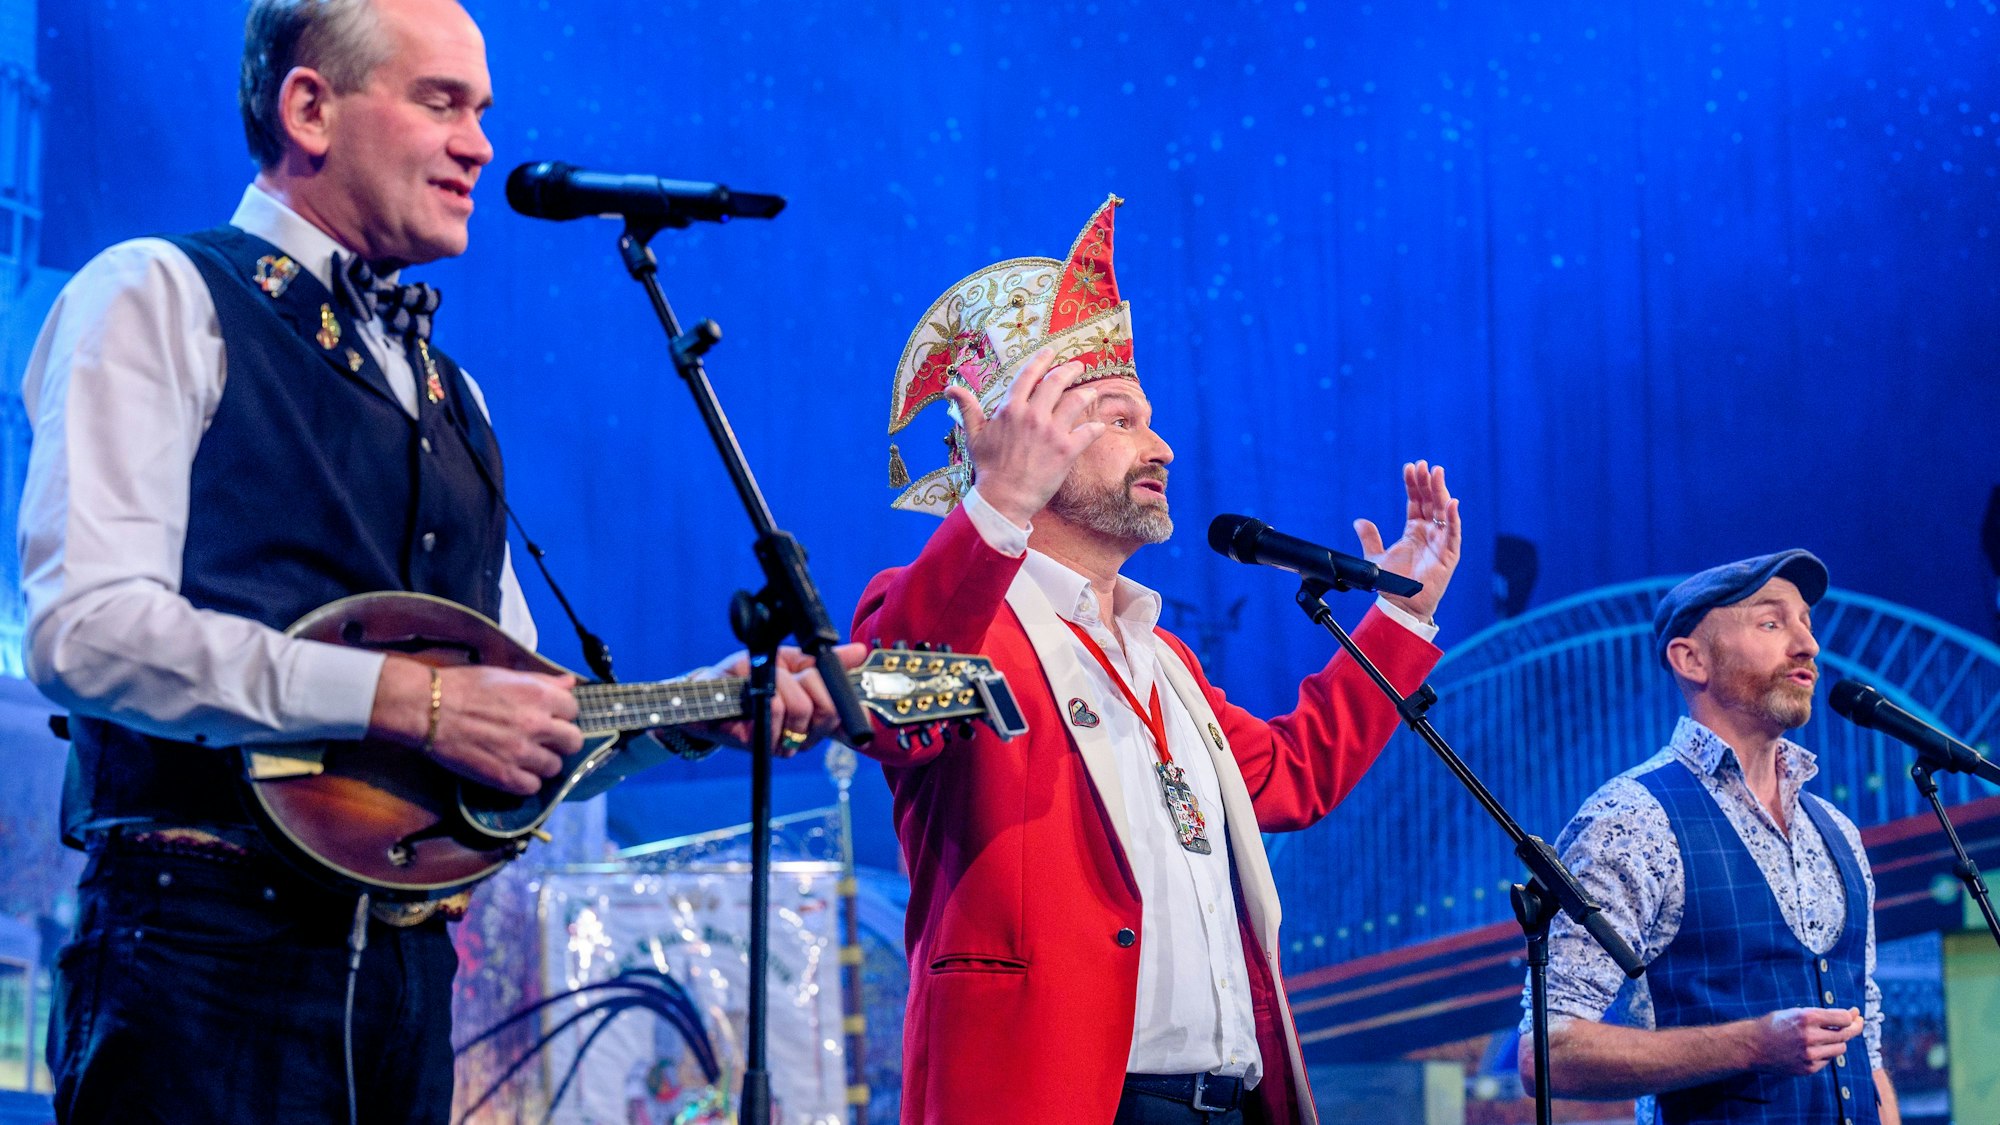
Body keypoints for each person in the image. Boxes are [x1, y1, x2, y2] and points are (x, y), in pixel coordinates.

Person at [16, 1, 853, 1120]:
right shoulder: (156, 293)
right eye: (441, 103)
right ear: (309, 108)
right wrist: (416, 702)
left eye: (483, 111)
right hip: (203, 951)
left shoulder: (455, 395)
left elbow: (510, 736)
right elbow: (85, 633)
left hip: (408, 983)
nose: (481, 146)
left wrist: (702, 712)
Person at [854, 195, 1463, 1125]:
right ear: (1024, 439)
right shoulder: (948, 614)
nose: (1162, 445)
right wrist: (999, 501)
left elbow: (1294, 773)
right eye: (1120, 418)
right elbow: (895, 701)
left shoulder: (1161, 655)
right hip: (1054, 1098)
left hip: (1223, 1102)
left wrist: (1400, 615)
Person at [1516, 551, 1901, 1125]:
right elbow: (1546, 1052)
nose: (1808, 646)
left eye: (1806, 624)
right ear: (1691, 659)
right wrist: (1751, 1045)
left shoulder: (1837, 831)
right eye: (1771, 622)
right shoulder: (1633, 818)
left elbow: (1866, 1052)